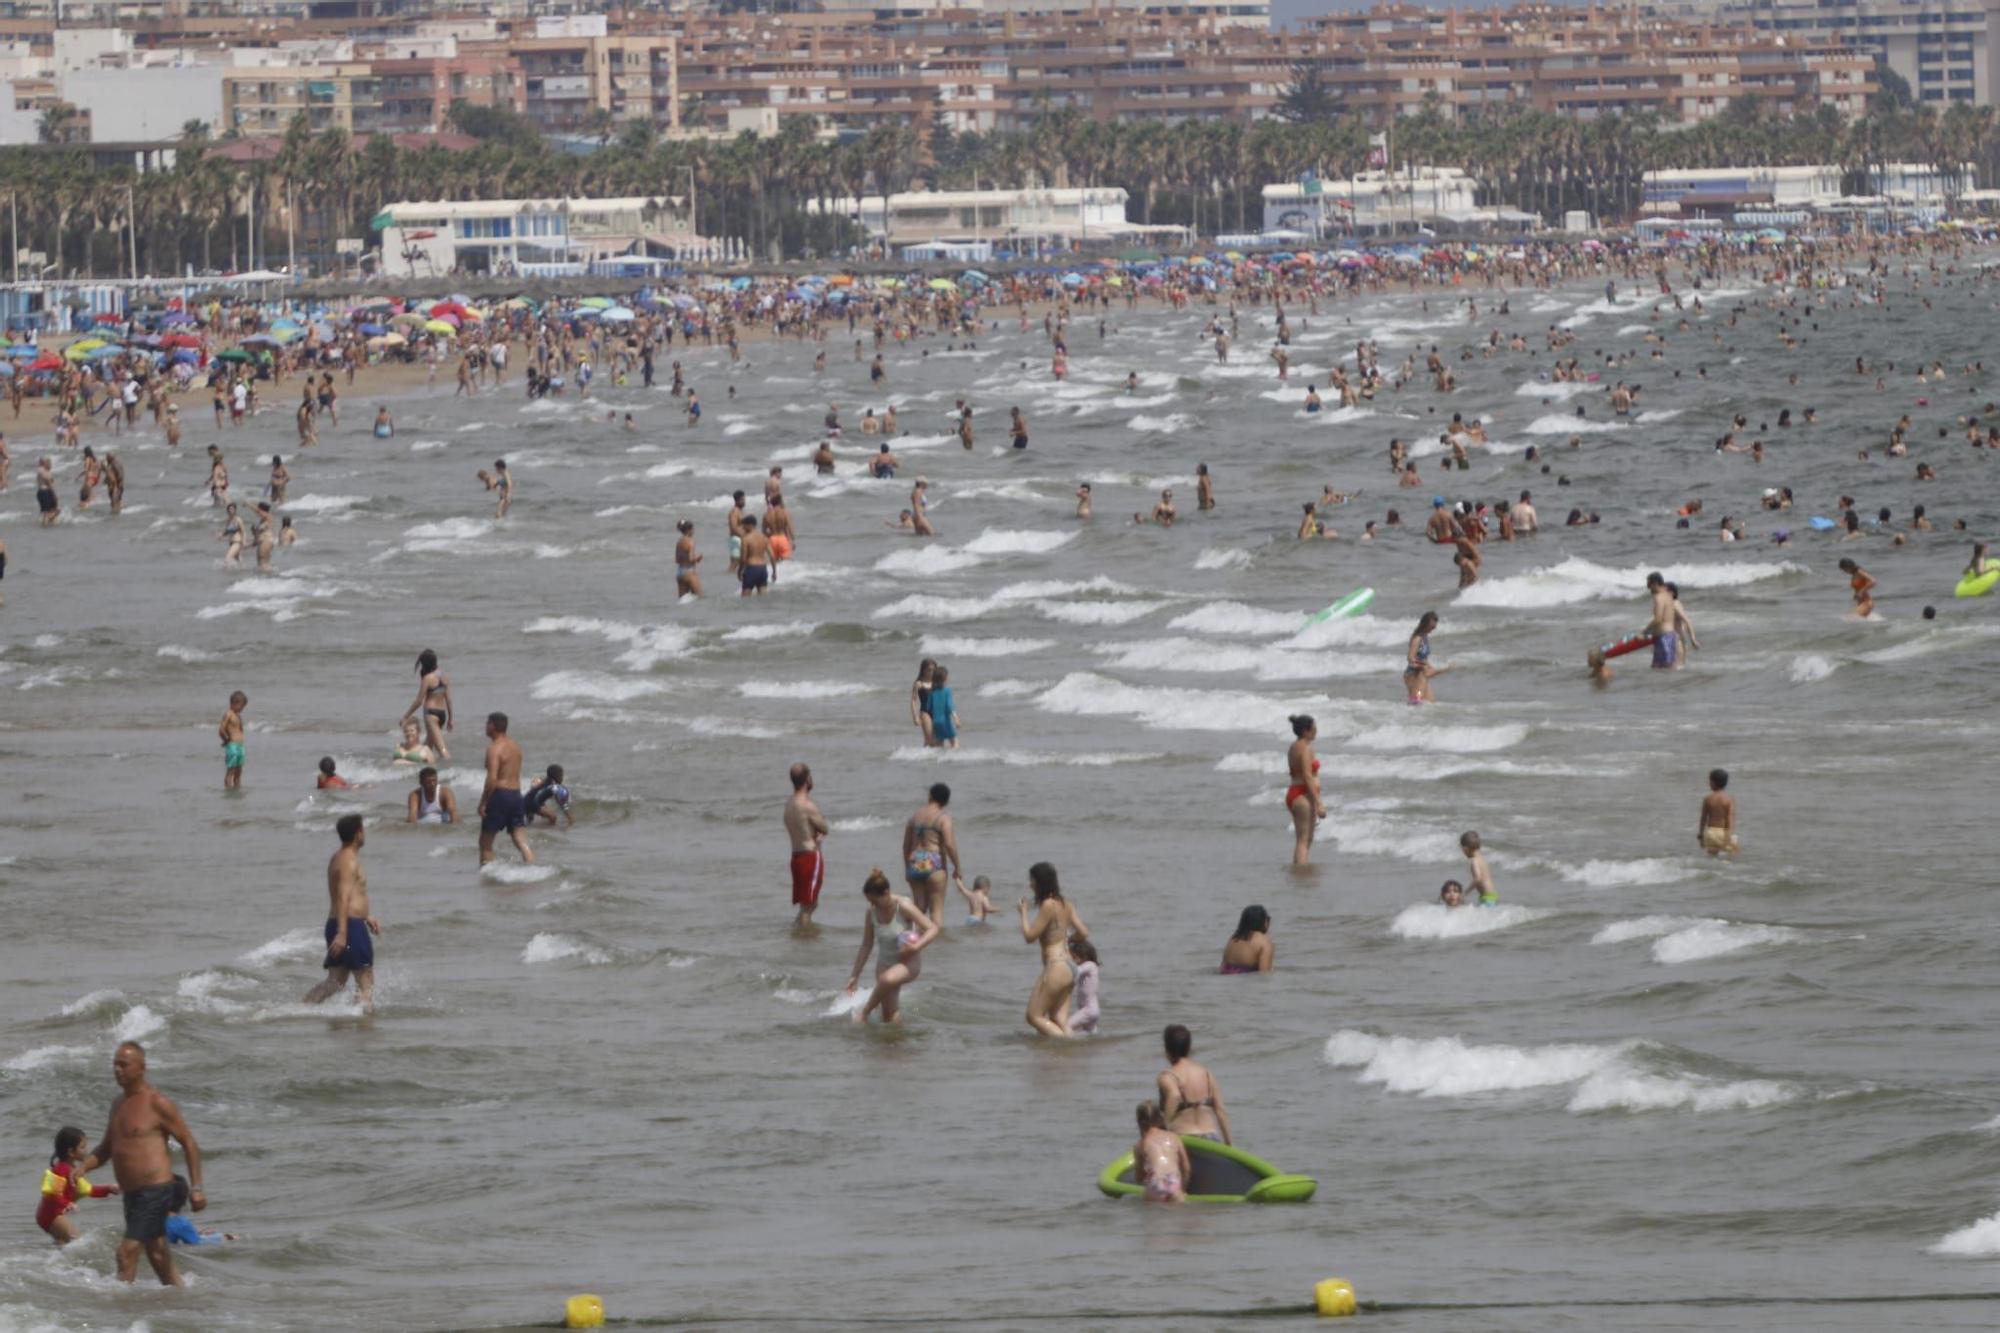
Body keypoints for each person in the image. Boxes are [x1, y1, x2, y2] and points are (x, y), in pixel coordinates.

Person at [75, 1042, 206, 1286]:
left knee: (126, 1253)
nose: (117, 1069)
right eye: (115, 1064)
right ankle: (184, 1301)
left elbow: (189, 1143)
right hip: (132, 1195)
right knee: (157, 1255)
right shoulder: (117, 1105)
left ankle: (120, 1314)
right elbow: (106, 1148)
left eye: (123, 1064)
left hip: (155, 1191)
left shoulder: (157, 1103)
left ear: (141, 1068)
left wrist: (197, 1188)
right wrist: (84, 1167)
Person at [844, 868, 940, 1025]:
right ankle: (894, 1046)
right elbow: (866, 945)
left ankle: (864, 1014)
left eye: (874, 900)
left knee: (887, 979)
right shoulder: (871, 913)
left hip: (907, 962)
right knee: (889, 1014)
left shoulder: (903, 906)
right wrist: (855, 975)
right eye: (869, 901)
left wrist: (916, 947)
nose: (872, 905)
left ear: (887, 892)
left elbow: (933, 928)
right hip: (884, 963)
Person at [304, 815, 379, 1009]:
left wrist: (366, 916)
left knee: (335, 982)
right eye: (363, 830)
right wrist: (343, 933)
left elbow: (349, 894)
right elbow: (343, 897)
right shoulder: (348, 861)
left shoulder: (339, 857)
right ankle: (365, 1030)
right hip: (348, 926)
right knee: (366, 981)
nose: (364, 833)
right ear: (357, 833)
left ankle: (300, 1009)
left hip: (343, 923)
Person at [1019, 861, 1089, 1038]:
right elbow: (1083, 932)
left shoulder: (1048, 905)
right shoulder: (1066, 903)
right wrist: (1067, 940)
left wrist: (1023, 913)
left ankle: (1067, 1046)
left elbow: (1029, 937)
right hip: (1070, 967)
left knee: (1033, 1016)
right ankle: (1068, 1056)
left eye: (1032, 880)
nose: (1030, 884)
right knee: (1058, 1019)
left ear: (1041, 882)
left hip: (1056, 966)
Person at [37, 1125, 117, 1245]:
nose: (86, 1151)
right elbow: (52, 1194)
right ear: (71, 1152)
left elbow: (89, 1190)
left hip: (50, 1215)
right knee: (78, 1242)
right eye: (82, 1147)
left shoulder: (73, 1170)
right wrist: (67, 1203)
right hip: (51, 1216)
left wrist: (109, 1189)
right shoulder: (61, 1169)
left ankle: (54, 1263)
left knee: (63, 1246)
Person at [1157, 1025, 1231, 1144]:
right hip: (1211, 1138)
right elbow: (1220, 1110)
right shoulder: (1207, 1074)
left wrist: (1163, 1130)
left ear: (1166, 1049)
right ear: (1189, 1048)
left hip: (1184, 1139)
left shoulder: (1168, 1076)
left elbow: (1174, 1096)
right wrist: (1229, 1144)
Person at [902, 782, 964, 925]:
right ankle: (936, 944)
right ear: (946, 801)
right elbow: (949, 844)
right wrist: (957, 867)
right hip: (934, 861)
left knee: (919, 907)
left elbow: (905, 846)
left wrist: (907, 868)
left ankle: (906, 933)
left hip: (915, 860)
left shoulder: (914, 816)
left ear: (930, 796)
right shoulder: (943, 818)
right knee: (936, 911)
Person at [478, 711, 532, 865]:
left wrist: (483, 802)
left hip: (500, 795)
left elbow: (492, 779)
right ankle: (532, 867)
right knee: (520, 839)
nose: (485, 727)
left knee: (485, 843)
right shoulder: (515, 746)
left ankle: (487, 877)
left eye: (487, 723)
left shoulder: (494, 748)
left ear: (492, 726)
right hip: (516, 795)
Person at [785, 761, 829, 928]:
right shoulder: (807, 806)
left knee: (806, 904)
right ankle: (804, 936)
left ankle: (798, 932)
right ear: (808, 779)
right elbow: (824, 827)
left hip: (795, 856)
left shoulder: (789, 804)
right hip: (810, 855)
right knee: (809, 905)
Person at [1285, 714, 1324, 867]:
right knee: (1305, 839)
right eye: (1314, 728)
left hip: (1294, 792)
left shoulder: (1294, 747)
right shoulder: (1306, 749)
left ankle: (1297, 870)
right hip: (1303, 795)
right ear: (1306, 731)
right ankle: (1301, 873)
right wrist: (1318, 802)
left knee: (1301, 839)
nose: (1316, 731)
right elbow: (1308, 776)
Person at [1133, 1103, 1190, 1204]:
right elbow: (1186, 1168)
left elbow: (1139, 1177)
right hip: (1173, 1184)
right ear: (1159, 1119)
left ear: (1139, 1122)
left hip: (1155, 1186)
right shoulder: (1174, 1137)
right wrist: (1183, 1190)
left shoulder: (1140, 1145)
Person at [405, 648, 452, 761]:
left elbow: (419, 701)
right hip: (442, 714)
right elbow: (449, 700)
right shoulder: (445, 676)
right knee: (427, 747)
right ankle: (421, 770)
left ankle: (452, 770)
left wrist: (406, 716)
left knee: (442, 749)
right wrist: (451, 719)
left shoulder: (427, 678)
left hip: (431, 715)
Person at [1405, 611, 1448, 704]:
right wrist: (1423, 666)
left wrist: (1432, 667)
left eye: (1435, 626)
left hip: (1422, 676)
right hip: (1414, 675)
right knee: (1416, 701)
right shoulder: (1417, 638)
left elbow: (1423, 658)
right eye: (1432, 626)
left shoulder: (1424, 637)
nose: (1434, 628)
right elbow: (1410, 658)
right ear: (1425, 624)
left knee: (1430, 703)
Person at [1220, 905, 1274, 974]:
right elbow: (1264, 974)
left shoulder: (1233, 938)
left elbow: (1222, 966)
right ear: (1264, 922)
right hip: (1245, 978)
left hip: (1226, 975)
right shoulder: (1264, 942)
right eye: (1268, 919)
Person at [1699, 768, 1740, 855]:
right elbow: (1730, 818)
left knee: (1712, 856)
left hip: (1710, 833)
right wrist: (1730, 835)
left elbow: (1703, 818)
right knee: (1733, 854)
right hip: (1723, 832)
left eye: (1709, 781)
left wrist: (1701, 835)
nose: (1708, 783)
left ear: (1713, 782)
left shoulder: (1708, 799)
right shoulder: (1729, 799)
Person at [1645, 572, 1680, 670]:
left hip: (1664, 638)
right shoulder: (1668, 596)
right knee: (1664, 669)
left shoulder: (1658, 597)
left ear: (1655, 583)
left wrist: (1645, 631)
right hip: (1670, 636)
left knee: (1662, 668)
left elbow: (1658, 619)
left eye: (1649, 584)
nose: (1648, 588)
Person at [1066, 937, 1101, 1034]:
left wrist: (1065, 961)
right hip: (1090, 1009)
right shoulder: (1088, 967)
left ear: (1084, 956)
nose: (1073, 960)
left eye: (1074, 957)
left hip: (1089, 1009)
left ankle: (1067, 1046)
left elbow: (1076, 971)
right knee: (1089, 1035)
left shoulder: (1090, 965)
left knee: (1067, 1026)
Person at [524, 764, 574, 828]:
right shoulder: (555, 787)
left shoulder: (547, 781)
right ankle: (548, 830)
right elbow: (562, 804)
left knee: (530, 821)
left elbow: (538, 790)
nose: (562, 778)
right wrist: (570, 819)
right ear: (557, 777)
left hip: (530, 800)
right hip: (532, 802)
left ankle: (533, 824)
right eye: (561, 775)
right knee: (553, 817)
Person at [218, 690, 247, 790]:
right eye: (241, 706)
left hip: (240, 746)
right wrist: (226, 740)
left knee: (239, 771)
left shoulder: (238, 715)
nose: (242, 709)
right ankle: (228, 790)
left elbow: (240, 730)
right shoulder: (228, 714)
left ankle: (237, 789)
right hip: (232, 746)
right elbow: (221, 729)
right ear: (234, 703)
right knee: (231, 770)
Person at [927, 663, 959, 748]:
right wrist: (956, 718)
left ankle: (940, 759)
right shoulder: (947, 691)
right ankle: (955, 757)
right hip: (945, 722)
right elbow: (949, 705)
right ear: (945, 678)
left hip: (936, 723)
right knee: (954, 741)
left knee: (939, 744)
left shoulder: (931, 692)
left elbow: (928, 709)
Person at [1460, 831, 1497, 904]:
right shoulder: (1482, 858)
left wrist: (1465, 892)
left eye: (1462, 849)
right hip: (1491, 895)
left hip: (1487, 897)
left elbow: (1478, 878)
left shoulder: (1474, 861)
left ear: (1465, 848)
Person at [910, 658, 938, 747]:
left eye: (933, 670)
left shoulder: (937, 683)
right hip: (925, 712)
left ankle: (924, 757)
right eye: (929, 670)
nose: (931, 672)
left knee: (936, 740)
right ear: (923, 670)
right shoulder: (919, 683)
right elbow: (913, 700)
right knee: (929, 738)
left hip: (937, 712)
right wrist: (915, 717)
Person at [675, 520, 703, 598]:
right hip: (689, 573)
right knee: (700, 598)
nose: (693, 531)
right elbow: (691, 558)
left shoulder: (679, 542)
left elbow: (677, 560)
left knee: (682, 602)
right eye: (692, 529)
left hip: (680, 573)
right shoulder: (690, 541)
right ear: (688, 530)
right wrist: (698, 557)